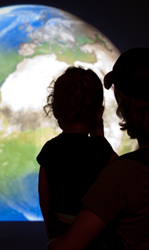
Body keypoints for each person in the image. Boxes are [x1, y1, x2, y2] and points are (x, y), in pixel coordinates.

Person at [47, 48, 149, 250]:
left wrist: (53, 244)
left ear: (123, 100)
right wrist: (99, 142)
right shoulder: (123, 170)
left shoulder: (125, 174)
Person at [36, 67, 117, 246]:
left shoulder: (50, 149)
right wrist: (99, 137)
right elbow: (119, 176)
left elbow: (44, 191)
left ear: (55, 110)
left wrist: (50, 224)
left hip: (59, 226)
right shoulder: (100, 148)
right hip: (96, 232)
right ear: (99, 113)